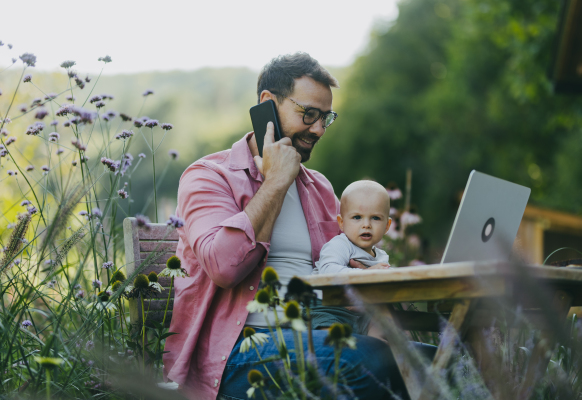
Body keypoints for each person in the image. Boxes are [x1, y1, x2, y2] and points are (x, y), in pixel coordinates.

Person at [163, 53, 433, 400]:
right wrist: (275, 181)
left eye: (325, 118)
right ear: (268, 105)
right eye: (309, 114)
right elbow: (223, 267)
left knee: (437, 361)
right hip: (240, 353)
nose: (318, 129)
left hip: (319, 334)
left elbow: (346, 265)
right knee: (371, 361)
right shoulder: (208, 177)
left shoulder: (318, 187)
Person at [311, 180, 395, 340]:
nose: (366, 225)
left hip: (360, 313)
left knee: (385, 328)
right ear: (341, 223)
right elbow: (327, 272)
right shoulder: (340, 245)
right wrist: (366, 274)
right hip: (326, 308)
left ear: (387, 225)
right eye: (357, 217)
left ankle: (380, 351)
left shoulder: (381, 257)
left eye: (376, 218)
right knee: (332, 340)